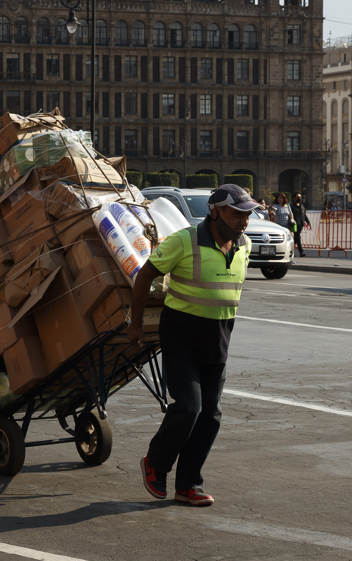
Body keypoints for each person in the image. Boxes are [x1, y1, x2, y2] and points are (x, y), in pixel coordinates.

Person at [131, 184, 255, 507]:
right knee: (189, 406)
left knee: (211, 415)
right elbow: (145, 276)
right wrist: (135, 324)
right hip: (181, 337)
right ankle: (155, 464)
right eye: (238, 213)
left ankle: (188, 483)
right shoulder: (185, 241)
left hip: (218, 341)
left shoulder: (245, 246)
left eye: (248, 214)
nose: (245, 220)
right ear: (217, 211)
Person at [289, 193, 308, 257]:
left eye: (300, 197)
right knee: (297, 237)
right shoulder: (291, 206)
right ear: (294, 198)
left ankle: (290, 251)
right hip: (295, 224)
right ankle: (301, 252)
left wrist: (308, 222)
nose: (299, 198)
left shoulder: (302, 206)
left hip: (301, 224)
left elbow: (304, 215)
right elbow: (290, 214)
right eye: (297, 197)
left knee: (296, 238)